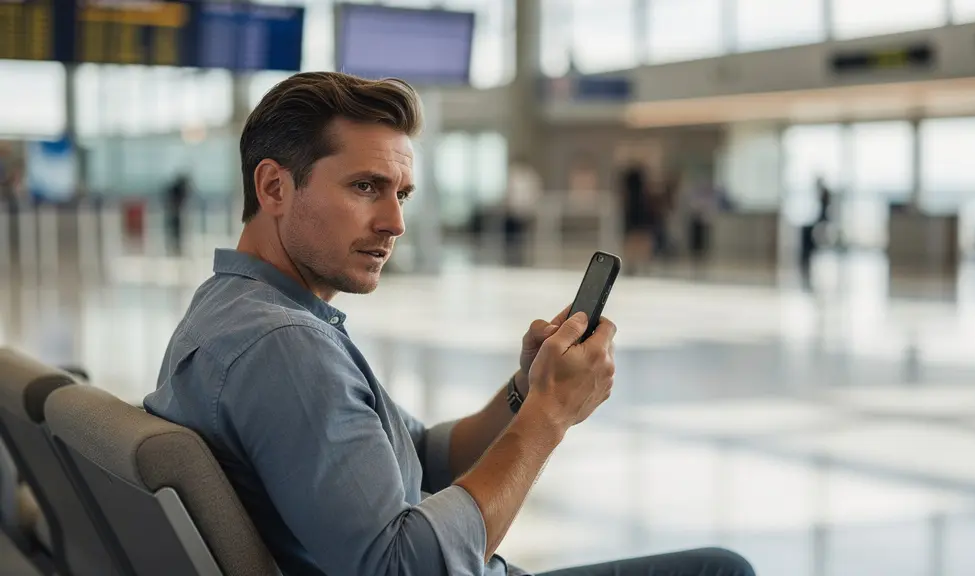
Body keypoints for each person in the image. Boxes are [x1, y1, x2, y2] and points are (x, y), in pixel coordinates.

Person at [145, 72, 755, 576]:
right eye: (366, 187)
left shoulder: (233, 308)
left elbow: (422, 456)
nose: (394, 222)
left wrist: (524, 392)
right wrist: (549, 418)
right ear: (275, 186)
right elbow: (400, 568)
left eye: (402, 195)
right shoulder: (285, 348)